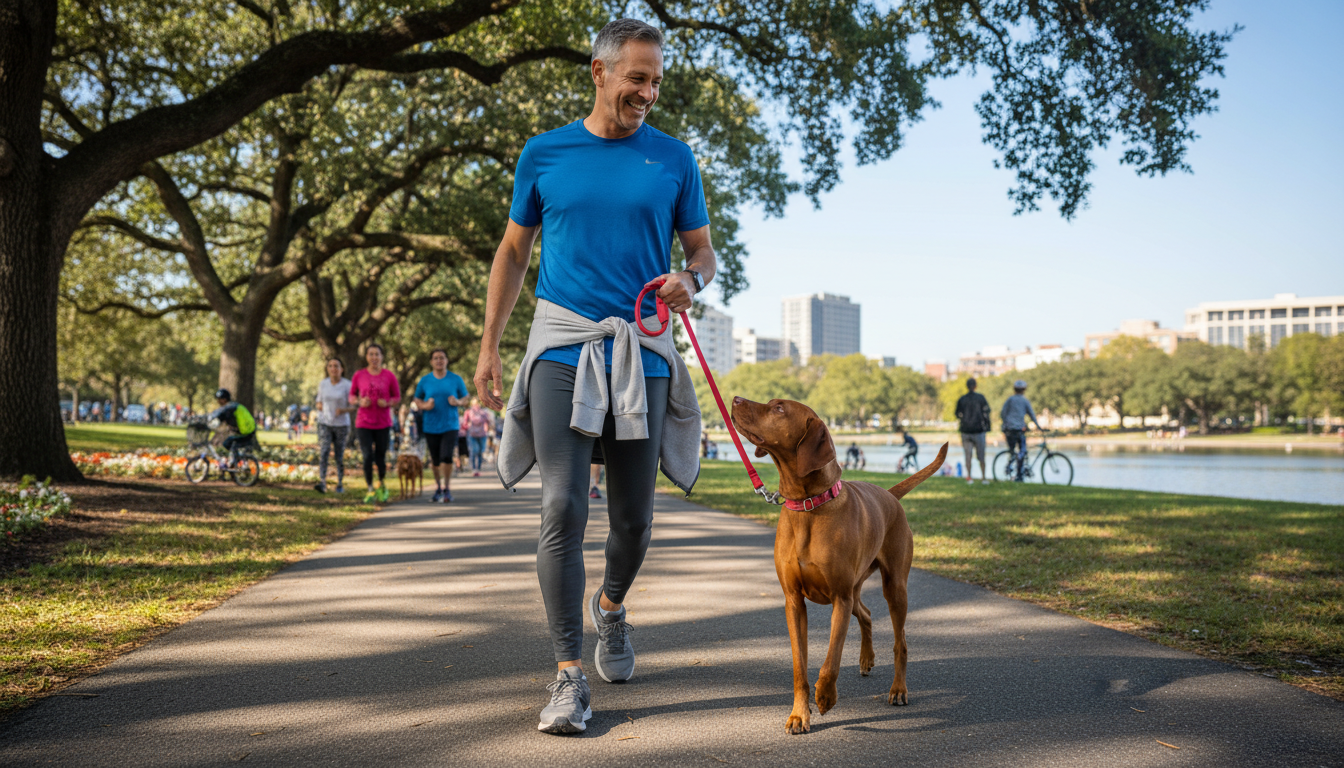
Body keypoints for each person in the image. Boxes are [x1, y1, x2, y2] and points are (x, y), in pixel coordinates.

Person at [474, 18, 713, 736]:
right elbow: (514, 254)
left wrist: (690, 282)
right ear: (599, 72)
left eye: (656, 81)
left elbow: (703, 251)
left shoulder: (673, 159)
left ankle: (611, 609)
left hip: (641, 350)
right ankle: (568, 677)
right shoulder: (545, 153)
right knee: (563, 508)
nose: (647, 91)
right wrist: (490, 346)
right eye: (637, 77)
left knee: (635, 520)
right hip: (561, 345)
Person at [413, 349, 468, 503]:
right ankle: (438, 487)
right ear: (431, 362)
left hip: (450, 424)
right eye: (436, 358)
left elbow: (466, 398)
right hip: (430, 425)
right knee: (435, 459)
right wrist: (425, 405)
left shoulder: (455, 379)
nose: (439, 361)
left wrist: (457, 402)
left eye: (442, 358)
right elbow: (417, 399)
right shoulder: (425, 380)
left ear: (446, 360)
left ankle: (447, 488)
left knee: (446, 456)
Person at [349, 344, 401, 503]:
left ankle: (382, 484)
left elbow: (397, 397)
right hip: (363, 422)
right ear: (366, 357)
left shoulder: (389, 376)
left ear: (382, 357)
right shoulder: (359, 375)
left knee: (380, 456)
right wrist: (359, 401)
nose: (374, 357)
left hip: (383, 422)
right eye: (371, 354)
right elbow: (351, 396)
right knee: (366, 456)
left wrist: (387, 403)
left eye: (377, 354)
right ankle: (370, 488)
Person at [313, 358, 354, 494]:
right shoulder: (323, 384)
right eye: (330, 366)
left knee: (339, 455)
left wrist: (342, 410)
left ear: (342, 369)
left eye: (336, 366)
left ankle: (340, 483)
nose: (333, 368)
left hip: (341, 424)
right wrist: (319, 406)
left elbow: (353, 406)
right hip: (325, 422)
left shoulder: (347, 385)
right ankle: (322, 482)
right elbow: (318, 401)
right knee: (324, 451)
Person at [1000, 379, 1045, 481]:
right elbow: (1031, 414)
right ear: (1024, 390)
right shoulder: (1024, 401)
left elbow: (1003, 413)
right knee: (1022, 451)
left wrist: (1005, 424)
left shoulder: (1010, 400)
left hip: (1009, 430)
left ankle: (1010, 466)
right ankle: (1019, 475)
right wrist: (1038, 426)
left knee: (1013, 452)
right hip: (1019, 429)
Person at [955, 377, 992, 484]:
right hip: (979, 430)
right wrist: (987, 425)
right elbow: (987, 412)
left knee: (968, 455)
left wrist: (964, 419)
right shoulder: (980, 398)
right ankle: (983, 477)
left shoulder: (962, 399)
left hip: (965, 430)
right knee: (981, 455)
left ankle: (969, 477)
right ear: (975, 386)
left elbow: (957, 413)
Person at [208, 388, 257, 468]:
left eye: (220, 399)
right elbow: (223, 416)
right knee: (228, 443)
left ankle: (234, 461)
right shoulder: (231, 406)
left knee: (229, 442)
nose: (218, 401)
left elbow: (219, 413)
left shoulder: (230, 407)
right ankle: (234, 460)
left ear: (224, 399)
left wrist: (211, 419)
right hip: (246, 431)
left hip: (246, 431)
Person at [462, 397, 494, 477]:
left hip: (473, 434)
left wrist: (468, 428)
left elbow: (464, 424)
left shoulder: (468, 412)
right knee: (478, 452)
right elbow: (489, 422)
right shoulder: (483, 412)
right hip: (481, 434)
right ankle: (477, 469)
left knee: (474, 451)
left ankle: (475, 469)